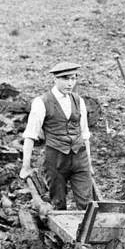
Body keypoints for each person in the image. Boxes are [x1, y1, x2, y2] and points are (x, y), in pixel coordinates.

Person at [19, 61, 94, 209]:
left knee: (87, 204)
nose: (70, 83)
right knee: (58, 203)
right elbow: (30, 135)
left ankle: (84, 231)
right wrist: (25, 166)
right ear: (55, 79)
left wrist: (89, 163)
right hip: (56, 160)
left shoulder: (79, 101)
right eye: (66, 79)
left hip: (80, 157)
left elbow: (84, 134)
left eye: (73, 78)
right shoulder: (41, 102)